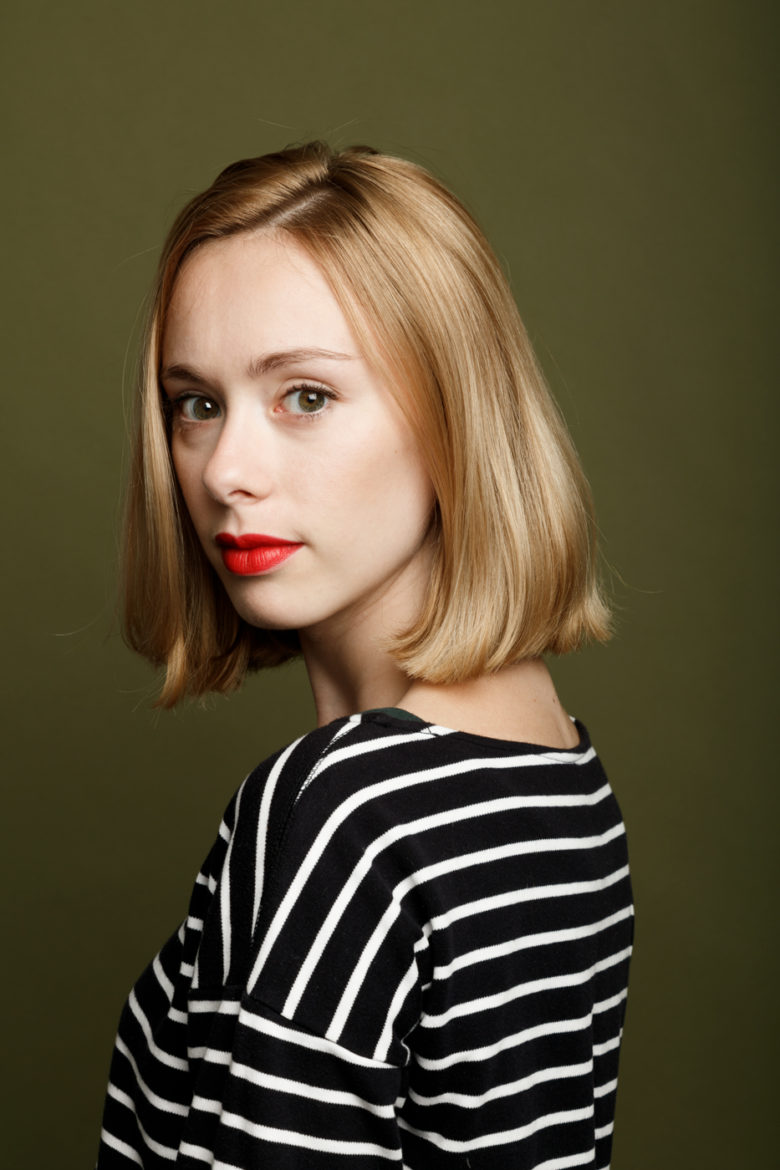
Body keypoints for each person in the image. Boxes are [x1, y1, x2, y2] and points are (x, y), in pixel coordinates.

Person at [97, 142, 633, 1169]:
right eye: (195, 403)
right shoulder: (567, 776)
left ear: (452, 413)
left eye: (305, 395)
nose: (225, 470)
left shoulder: (347, 811)